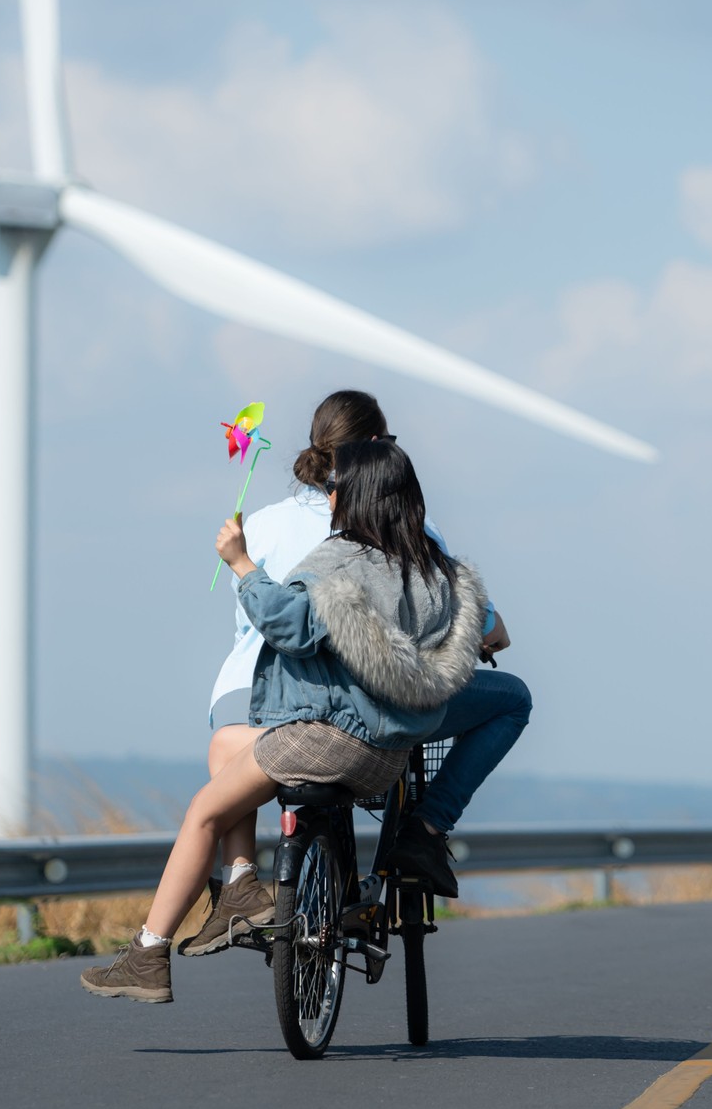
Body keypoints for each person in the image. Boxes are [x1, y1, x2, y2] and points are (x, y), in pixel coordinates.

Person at [81, 441, 489, 1003]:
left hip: (329, 737)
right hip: (386, 752)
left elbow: (291, 628)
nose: (331, 494)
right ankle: (243, 885)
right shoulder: (437, 574)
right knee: (227, 744)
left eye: (337, 486)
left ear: (354, 495)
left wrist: (241, 563)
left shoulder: (342, 559)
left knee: (203, 813)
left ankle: (149, 952)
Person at [184, 390, 527, 957]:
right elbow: (461, 611)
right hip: (354, 700)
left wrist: (243, 563)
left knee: (230, 767)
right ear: (376, 450)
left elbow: (256, 622)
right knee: (506, 699)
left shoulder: (263, 523)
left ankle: (239, 879)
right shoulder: (402, 528)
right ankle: (426, 829)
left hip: (247, 688)